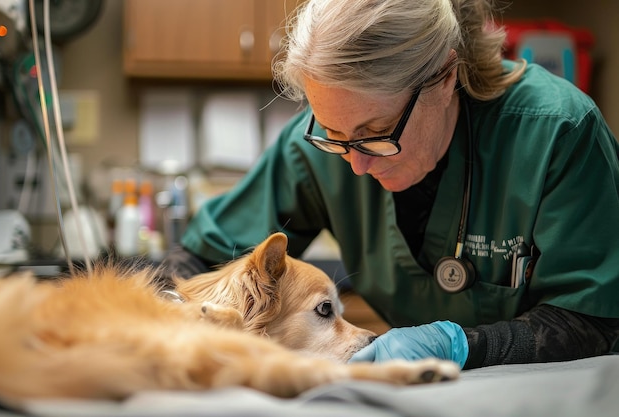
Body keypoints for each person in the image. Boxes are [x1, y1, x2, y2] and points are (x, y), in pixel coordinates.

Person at [162, 0, 619, 369]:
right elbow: (197, 259)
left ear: (444, 77)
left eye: (375, 132)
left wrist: (463, 345)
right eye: (334, 136)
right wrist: (163, 313)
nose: (355, 165)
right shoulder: (315, 146)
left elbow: (596, 320)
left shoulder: (557, 131)